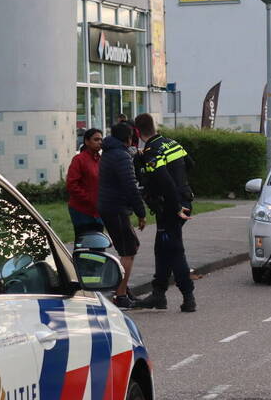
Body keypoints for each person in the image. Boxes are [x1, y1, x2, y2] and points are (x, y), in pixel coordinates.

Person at [131, 113, 197, 313]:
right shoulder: (171, 143)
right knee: (162, 248)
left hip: (171, 207)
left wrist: (175, 206)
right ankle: (158, 295)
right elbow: (191, 164)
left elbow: (164, 180)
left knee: (174, 249)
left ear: (137, 132)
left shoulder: (152, 151)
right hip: (183, 199)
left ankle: (188, 296)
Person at [99, 122, 147, 309]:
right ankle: (120, 295)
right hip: (116, 207)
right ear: (128, 139)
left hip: (108, 205)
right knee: (128, 250)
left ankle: (124, 290)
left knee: (129, 246)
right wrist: (141, 212)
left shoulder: (110, 151)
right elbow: (130, 186)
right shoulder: (121, 156)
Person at [66, 128, 103, 237]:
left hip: (98, 211)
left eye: (101, 140)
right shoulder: (79, 159)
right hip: (81, 210)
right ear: (87, 141)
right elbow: (71, 185)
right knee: (84, 245)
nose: (100, 142)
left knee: (98, 245)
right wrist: (89, 199)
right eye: (96, 139)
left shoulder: (101, 160)